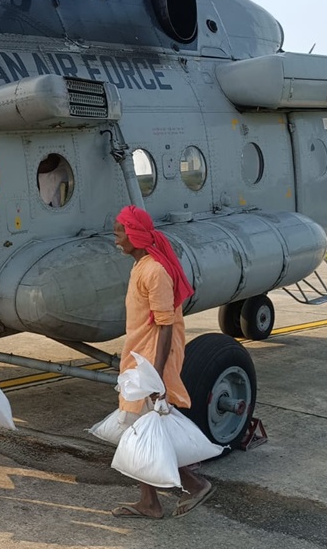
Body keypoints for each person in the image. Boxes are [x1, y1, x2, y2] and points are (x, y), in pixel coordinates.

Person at [110, 205, 212, 519]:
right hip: (141, 358)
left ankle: (193, 487)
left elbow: (166, 325)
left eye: (119, 231)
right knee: (144, 432)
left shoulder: (154, 271)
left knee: (144, 431)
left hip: (152, 361)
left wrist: (155, 375)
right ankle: (150, 501)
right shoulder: (142, 266)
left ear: (135, 236)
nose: (115, 237)